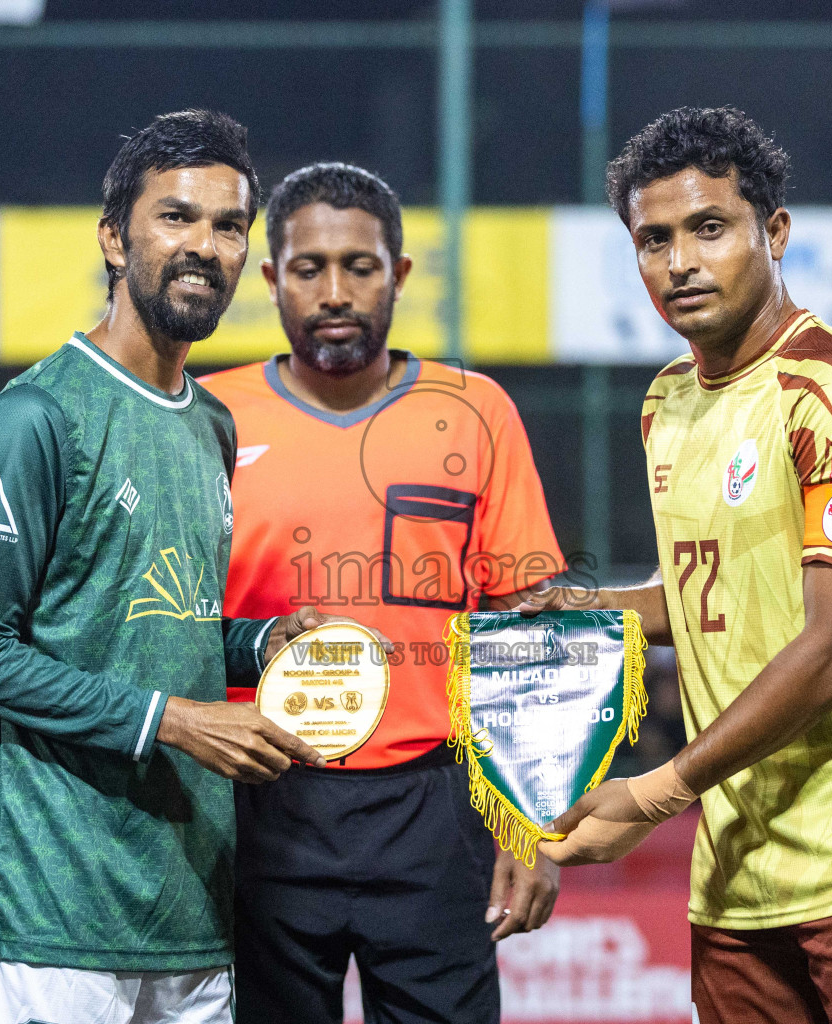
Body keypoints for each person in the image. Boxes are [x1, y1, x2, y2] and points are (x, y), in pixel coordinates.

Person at [527, 107, 832, 1020]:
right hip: (741, 872)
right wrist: (594, 608)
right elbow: (720, 596)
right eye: (652, 240)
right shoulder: (668, 401)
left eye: (710, 229)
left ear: (773, 233)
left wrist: (657, 793)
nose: (680, 263)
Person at [0, 111, 374, 1024]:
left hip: (183, 906)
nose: (204, 246)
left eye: (227, 225)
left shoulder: (209, 423)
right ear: (112, 237)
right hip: (47, 910)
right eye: (176, 218)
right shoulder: (38, 419)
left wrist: (259, 646)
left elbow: (140, 621)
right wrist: (173, 721)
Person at [197, 162, 564, 1024]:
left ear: (398, 275)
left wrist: (531, 823)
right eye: (307, 267)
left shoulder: (476, 409)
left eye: (359, 267)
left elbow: (528, 633)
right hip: (260, 798)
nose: (334, 291)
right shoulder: (206, 417)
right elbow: (169, 621)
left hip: (436, 804)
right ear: (269, 280)